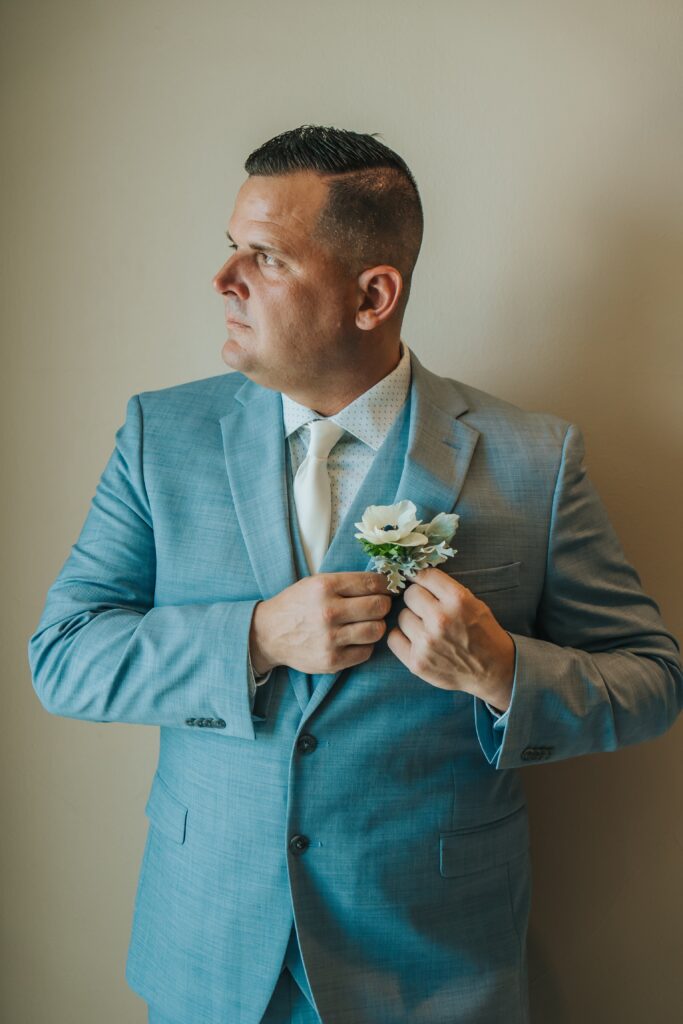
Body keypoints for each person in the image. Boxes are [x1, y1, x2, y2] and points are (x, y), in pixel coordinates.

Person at [28, 124, 682, 1024]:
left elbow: (651, 678)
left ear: (373, 294)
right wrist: (254, 637)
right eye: (231, 250)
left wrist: (502, 672)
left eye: (264, 257)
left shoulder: (535, 457)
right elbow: (62, 656)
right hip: (214, 953)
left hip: (433, 965)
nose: (223, 281)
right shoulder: (158, 438)